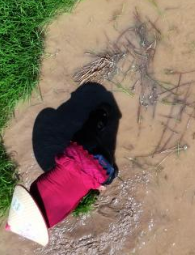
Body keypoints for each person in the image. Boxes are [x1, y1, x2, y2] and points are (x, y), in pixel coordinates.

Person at [7, 103, 118, 244]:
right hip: (80, 147)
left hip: (101, 167)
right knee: (90, 129)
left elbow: (76, 198)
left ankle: (112, 170)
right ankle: (101, 115)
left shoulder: (52, 221)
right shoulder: (35, 188)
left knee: (109, 176)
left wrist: (96, 185)